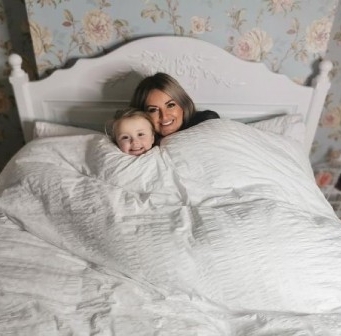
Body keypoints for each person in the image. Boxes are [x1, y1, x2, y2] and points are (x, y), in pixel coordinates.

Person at [130, 72, 220, 143]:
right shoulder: (137, 142)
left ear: (183, 103)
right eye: (153, 110)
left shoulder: (205, 121)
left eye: (170, 105)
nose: (164, 116)